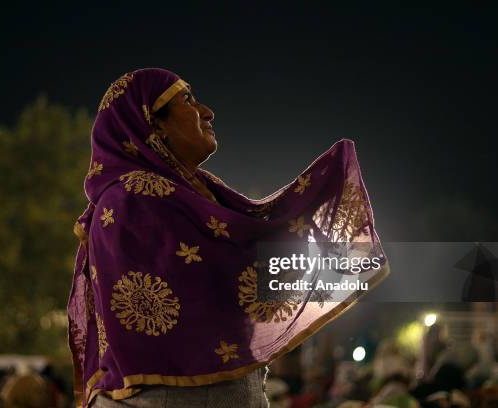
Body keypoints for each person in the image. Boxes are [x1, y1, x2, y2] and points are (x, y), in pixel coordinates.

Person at [67, 68, 389, 407]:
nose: (207, 111)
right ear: (153, 123)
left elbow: (240, 271)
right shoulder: (133, 198)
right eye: (187, 100)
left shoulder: (190, 194)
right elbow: (228, 276)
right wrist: (315, 215)